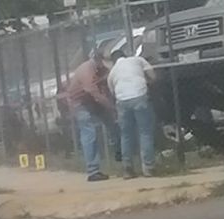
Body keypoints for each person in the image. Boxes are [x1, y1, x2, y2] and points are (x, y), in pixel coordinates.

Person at [66, 50, 116, 182]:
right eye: (103, 62)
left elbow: (106, 84)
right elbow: (92, 91)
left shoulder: (100, 69)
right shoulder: (87, 70)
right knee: (89, 132)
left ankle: (120, 154)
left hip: (91, 101)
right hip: (80, 103)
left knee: (112, 124)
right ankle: (93, 171)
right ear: (98, 60)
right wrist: (110, 106)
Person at [107, 49, 157, 179]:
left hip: (122, 100)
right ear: (125, 55)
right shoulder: (137, 60)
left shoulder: (112, 72)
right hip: (139, 95)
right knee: (145, 132)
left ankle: (127, 169)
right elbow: (153, 76)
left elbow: (112, 91)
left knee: (126, 135)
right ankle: (148, 168)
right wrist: (147, 83)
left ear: (113, 61)